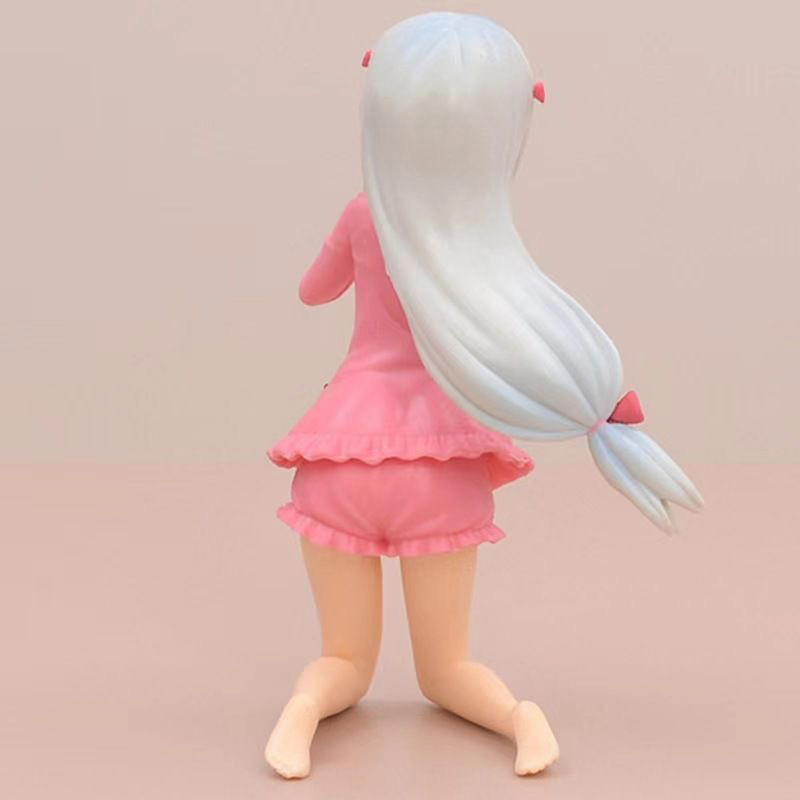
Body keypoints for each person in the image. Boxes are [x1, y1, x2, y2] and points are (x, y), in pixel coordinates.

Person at [264, 11, 703, 780]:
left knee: (343, 660)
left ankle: (302, 714)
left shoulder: (363, 218)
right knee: (448, 669)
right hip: (442, 475)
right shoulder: (484, 242)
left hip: (342, 459)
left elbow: (311, 292)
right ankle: (519, 719)